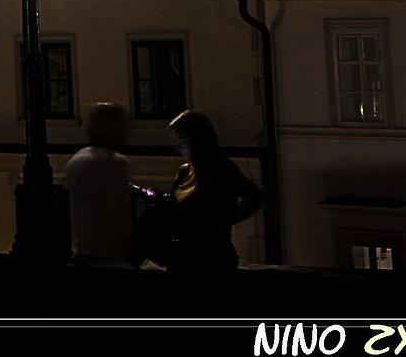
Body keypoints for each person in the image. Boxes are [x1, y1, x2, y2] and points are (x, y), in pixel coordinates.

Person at [134, 109, 262, 271]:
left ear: (198, 140)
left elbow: (254, 197)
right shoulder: (185, 171)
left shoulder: (220, 169)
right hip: (183, 255)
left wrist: (222, 225)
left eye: (181, 142)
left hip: (212, 258)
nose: (178, 148)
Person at [64, 103, 142, 265]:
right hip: (108, 255)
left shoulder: (78, 161)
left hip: (85, 252)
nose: (127, 129)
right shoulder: (114, 164)